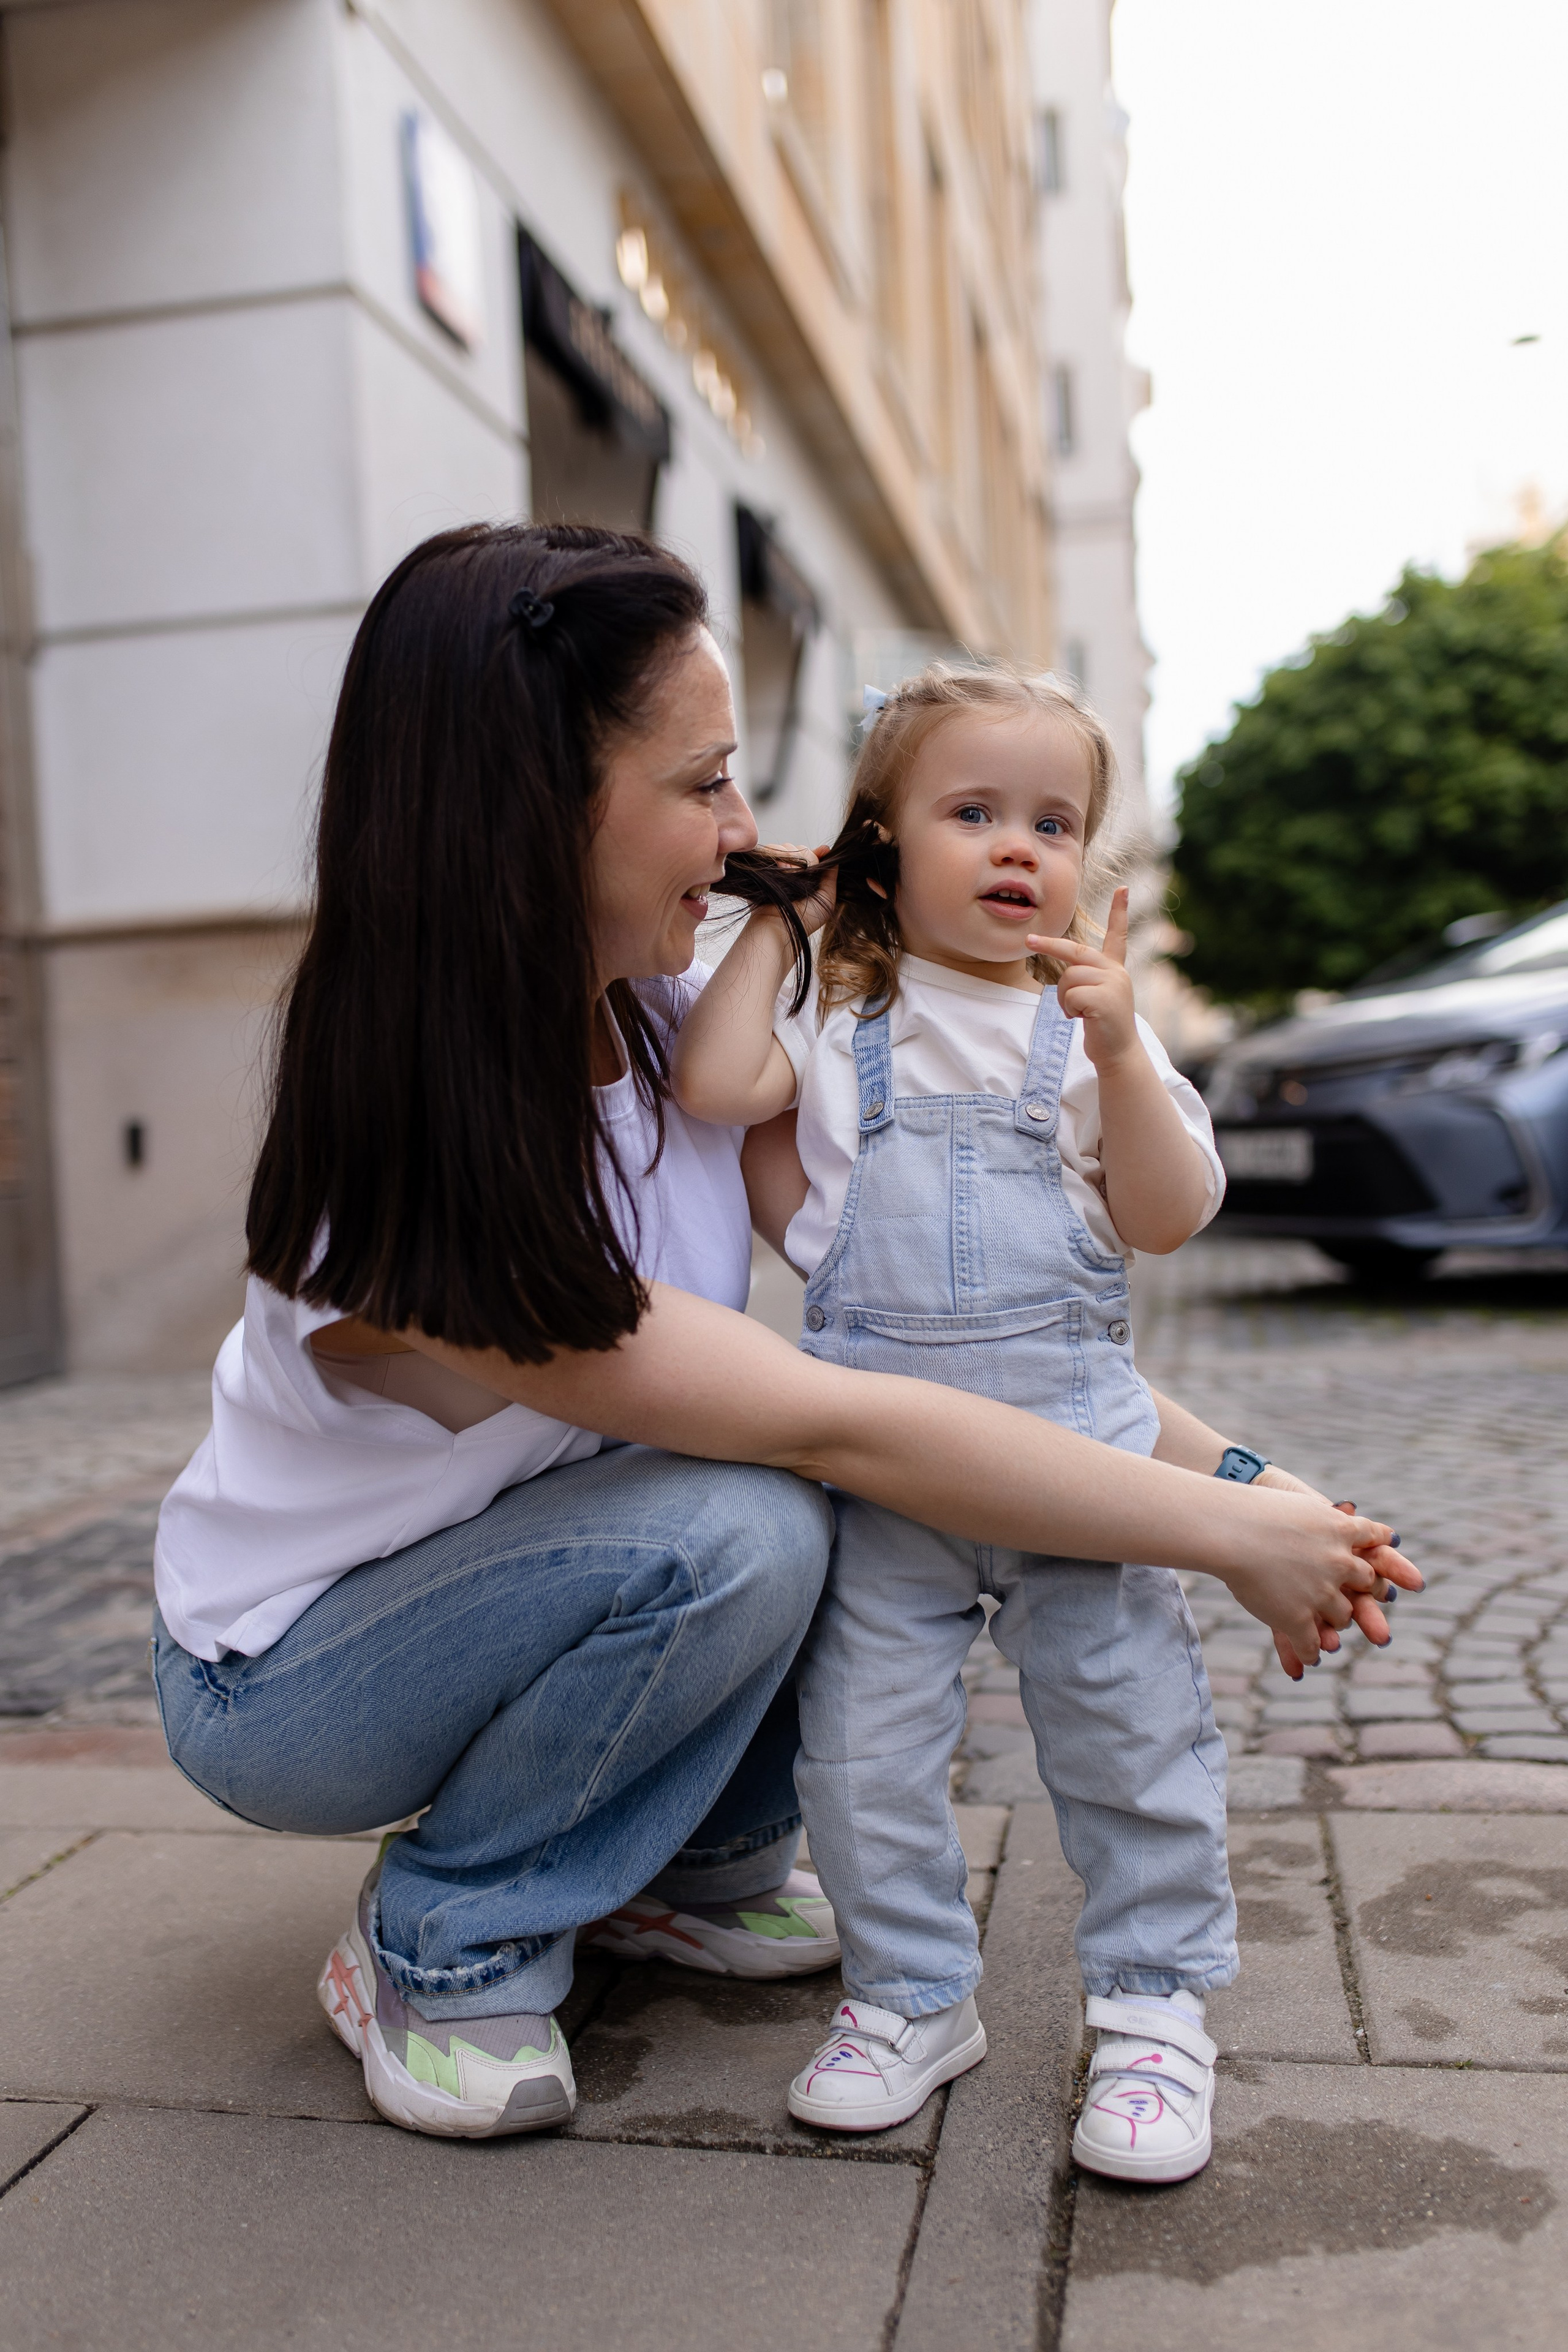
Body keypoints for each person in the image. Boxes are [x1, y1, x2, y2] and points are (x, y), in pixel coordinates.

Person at [151, 526, 1414, 2147]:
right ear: (536, 802)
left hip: (550, 1569)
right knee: (746, 1515)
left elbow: (957, 1352)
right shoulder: (401, 1175)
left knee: (768, 1503)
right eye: (704, 785)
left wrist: (1264, 1485)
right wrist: (1231, 1534)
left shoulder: (680, 1033)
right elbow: (843, 1422)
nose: (748, 830)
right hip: (298, 1681)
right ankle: (441, 1939)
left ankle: (687, 1872)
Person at [671, 663, 1406, 2183]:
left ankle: (1150, 2017)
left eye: (1053, 821)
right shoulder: (836, 1017)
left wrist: (1129, 1050)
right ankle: (911, 1997)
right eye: (970, 811)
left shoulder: (1085, 1033)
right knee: (862, 1759)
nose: (1019, 846)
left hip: (1083, 1478)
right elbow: (706, 1079)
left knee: (1129, 1741)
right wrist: (785, 924)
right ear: (878, 845)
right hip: (888, 1486)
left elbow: (1169, 1213)